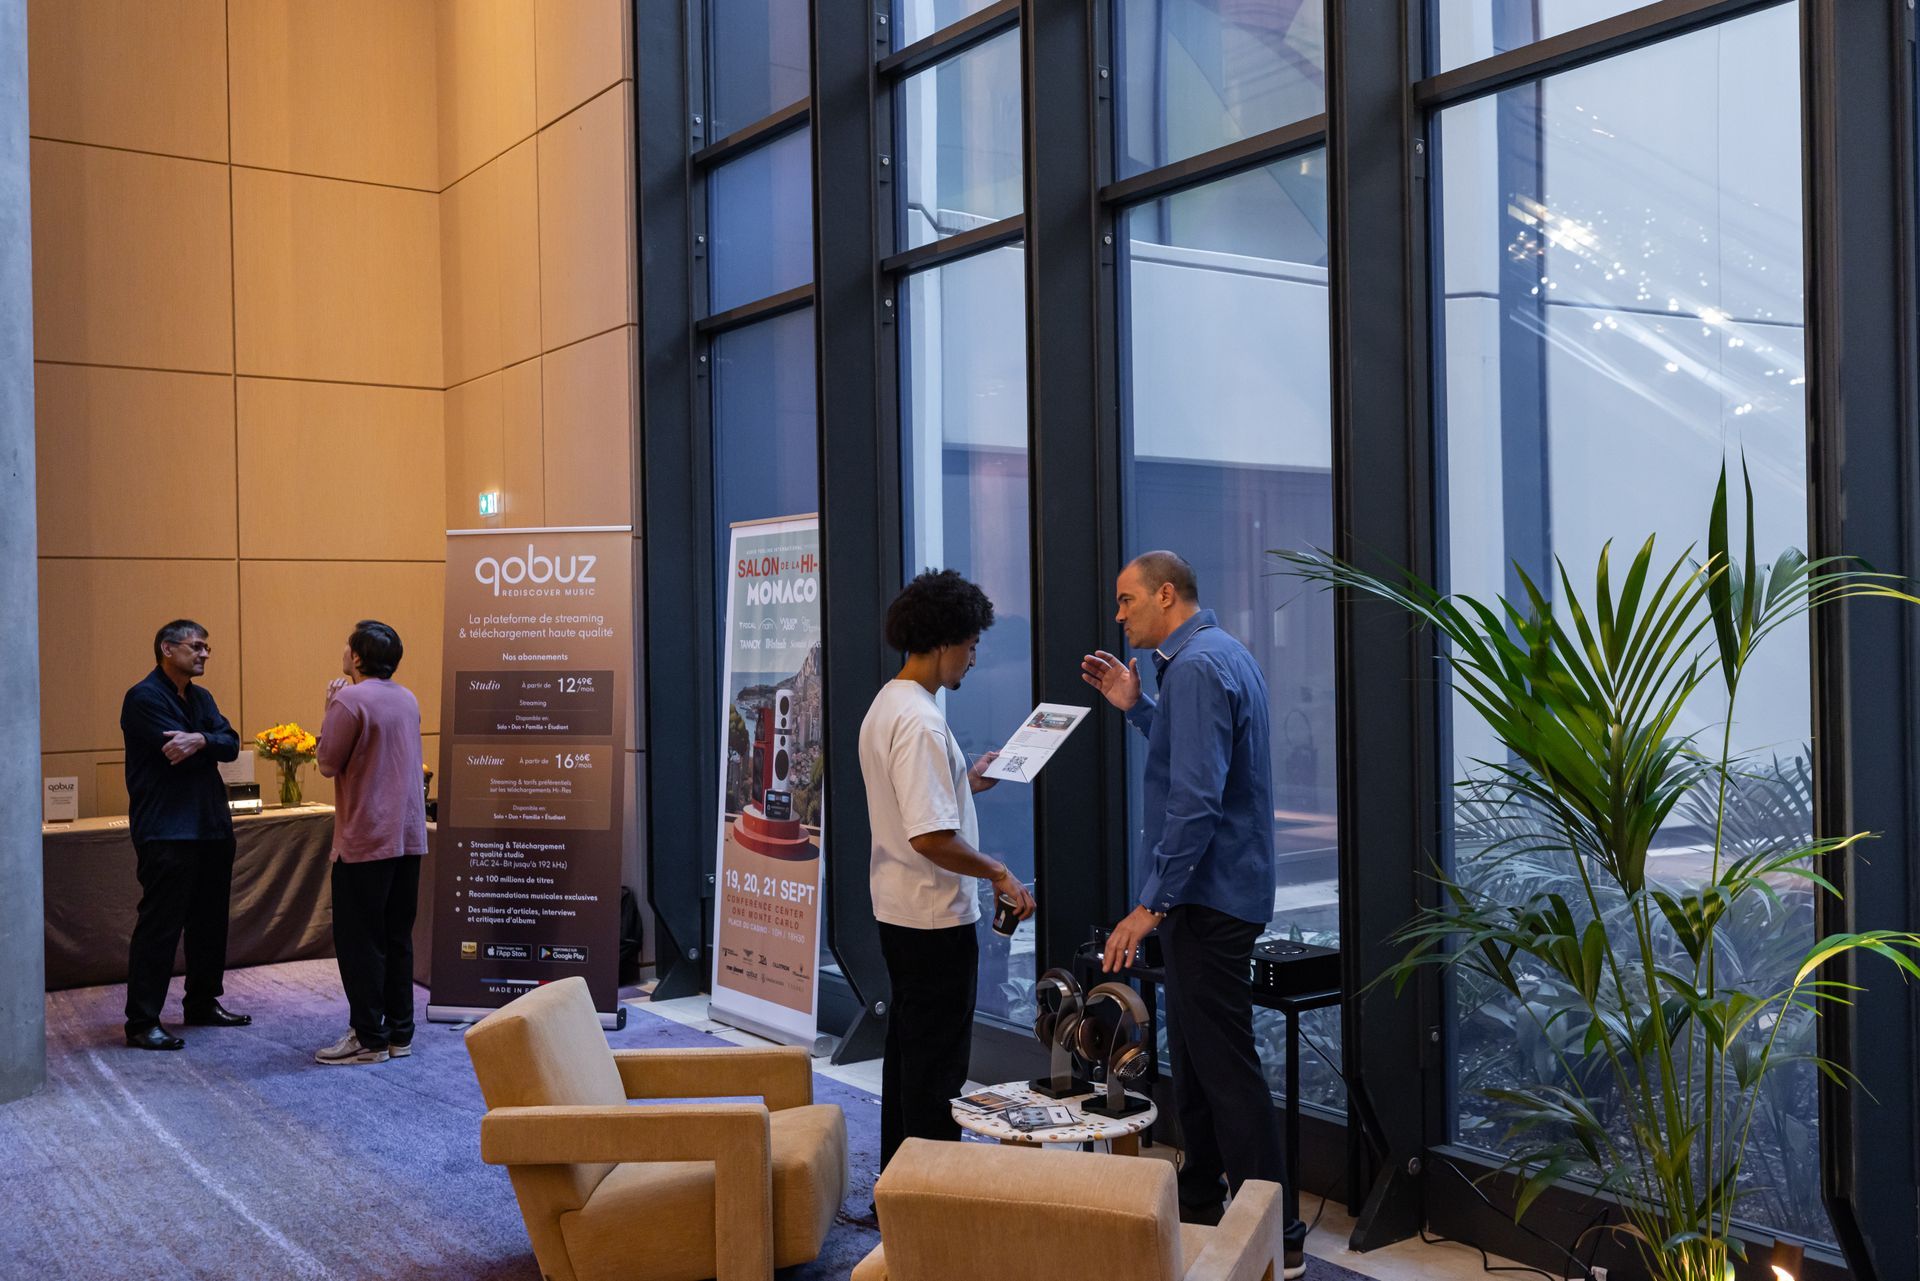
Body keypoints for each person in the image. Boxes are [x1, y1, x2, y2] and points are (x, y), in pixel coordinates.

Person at [1082, 551, 1307, 1278]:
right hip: (1212, 892)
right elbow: (1195, 760)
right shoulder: (1213, 656)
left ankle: (1279, 1232)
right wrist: (1138, 707)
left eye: (1126, 601)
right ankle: (1207, 1195)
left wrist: (1151, 903)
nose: (1119, 616)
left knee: (1225, 1063)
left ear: (1166, 594)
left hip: (1209, 896)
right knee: (1203, 1059)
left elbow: (1198, 799)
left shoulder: (1202, 666)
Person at [860, 569, 1035, 1169]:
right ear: (941, 643)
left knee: (908, 1058)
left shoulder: (891, 703)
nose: (974, 657)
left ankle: (899, 1185)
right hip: (933, 918)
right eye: (970, 644)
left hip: (899, 907)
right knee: (937, 1072)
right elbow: (931, 835)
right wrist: (998, 873)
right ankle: (932, 1207)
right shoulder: (922, 722)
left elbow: (921, 806)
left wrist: (967, 780)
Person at [120, 620, 250, 1050]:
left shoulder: (201, 697)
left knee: (209, 923)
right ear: (166, 648)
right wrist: (203, 744)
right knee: (160, 926)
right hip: (166, 830)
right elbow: (180, 756)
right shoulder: (143, 698)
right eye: (196, 646)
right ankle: (142, 1021)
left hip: (210, 827)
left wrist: (200, 739)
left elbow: (230, 744)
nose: (205, 654)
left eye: (207, 647)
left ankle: (201, 1003)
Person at [312, 620, 428, 1066]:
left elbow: (326, 762)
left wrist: (327, 707)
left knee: (361, 941)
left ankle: (368, 1038)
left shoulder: (349, 699)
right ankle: (400, 1034)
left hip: (365, 837)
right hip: (407, 836)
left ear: (357, 658)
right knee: (397, 936)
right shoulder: (407, 698)